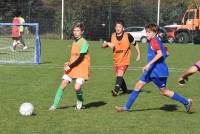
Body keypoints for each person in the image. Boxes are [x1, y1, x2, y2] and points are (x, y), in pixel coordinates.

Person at [115, 23, 192, 113]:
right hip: (151, 71)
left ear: (154, 32)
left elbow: (160, 54)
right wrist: (165, 52)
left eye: (149, 32)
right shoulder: (154, 40)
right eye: (146, 32)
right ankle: (126, 107)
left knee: (164, 91)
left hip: (158, 72)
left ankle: (186, 102)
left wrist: (148, 64)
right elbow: (165, 53)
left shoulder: (154, 41)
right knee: (138, 85)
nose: (147, 34)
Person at [49, 22, 90, 111]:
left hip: (82, 68)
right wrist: (69, 62)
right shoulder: (74, 42)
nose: (75, 32)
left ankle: (80, 101)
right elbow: (74, 56)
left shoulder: (84, 43)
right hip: (72, 67)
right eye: (74, 30)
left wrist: (70, 66)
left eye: (78, 30)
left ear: (82, 32)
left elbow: (81, 58)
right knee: (63, 84)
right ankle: (54, 105)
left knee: (77, 87)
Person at [102, 20, 140, 96]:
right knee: (119, 76)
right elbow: (103, 46)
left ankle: (116, 90)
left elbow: (135, 44)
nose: (118, 28)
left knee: (120, 74)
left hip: (125, 60)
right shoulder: (112, 36)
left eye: (120, 27)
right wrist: (107, 43)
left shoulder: (127, 35)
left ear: (123, 28)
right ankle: (125, 90)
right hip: (116, 60)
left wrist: (139, 54)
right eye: (116, 27)